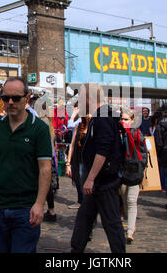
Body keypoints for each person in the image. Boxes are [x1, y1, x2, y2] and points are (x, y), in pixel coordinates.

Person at [0, 77, 53, 253]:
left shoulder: (39, 129)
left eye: (16, 98)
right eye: (6, 98)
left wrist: (39, 204)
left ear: (26, 98)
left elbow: (45, 168)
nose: (10, 102)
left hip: (25, 208)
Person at [70, 83, 126, 253]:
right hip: (98, 183)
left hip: (104, 182)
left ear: (89, 98)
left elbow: (102, 151)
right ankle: (76, 250)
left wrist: (90, 178)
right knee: (84, 218)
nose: (78, 100)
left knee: (112, 222)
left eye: (80, 96)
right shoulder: (99, 116)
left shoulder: (103, 118)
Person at [119, 108, 145, 243]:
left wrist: (142, 166)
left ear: (132, 121)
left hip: (134, 170)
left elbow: (143, 152)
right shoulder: (118, 134)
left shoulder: (137, 134)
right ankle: (131, 224)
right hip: (122, 171)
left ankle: (130, 230)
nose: (123, 122)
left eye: (126, 119)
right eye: (122, 119)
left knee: (131, 200)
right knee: (124, 199)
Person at [66, 114, 91, 209]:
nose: (88, 115)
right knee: (79, 181)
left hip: (90, 161)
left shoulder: (96, 126)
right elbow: (72, 145)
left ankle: (87, 204)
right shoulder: (79, 125)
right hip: (79, 159)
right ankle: (82, 202)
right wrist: (68, 163)